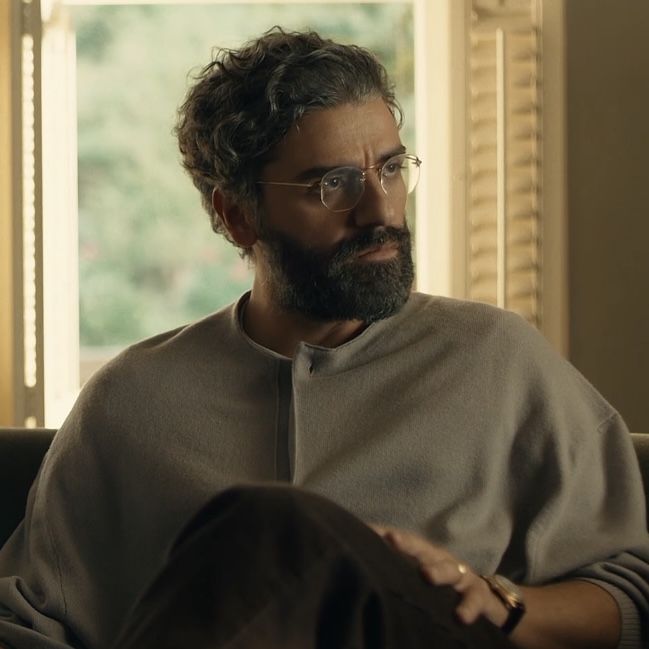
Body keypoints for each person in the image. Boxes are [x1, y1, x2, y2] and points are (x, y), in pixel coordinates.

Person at [0, 27, 647, 649]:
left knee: (272, 531)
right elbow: (28, 619)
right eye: (331, 185)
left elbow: (629, 593)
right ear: (235, 215)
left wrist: (497, 600)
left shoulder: (497, 358)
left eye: (391, 168)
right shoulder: (132, 401)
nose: (380, 211)